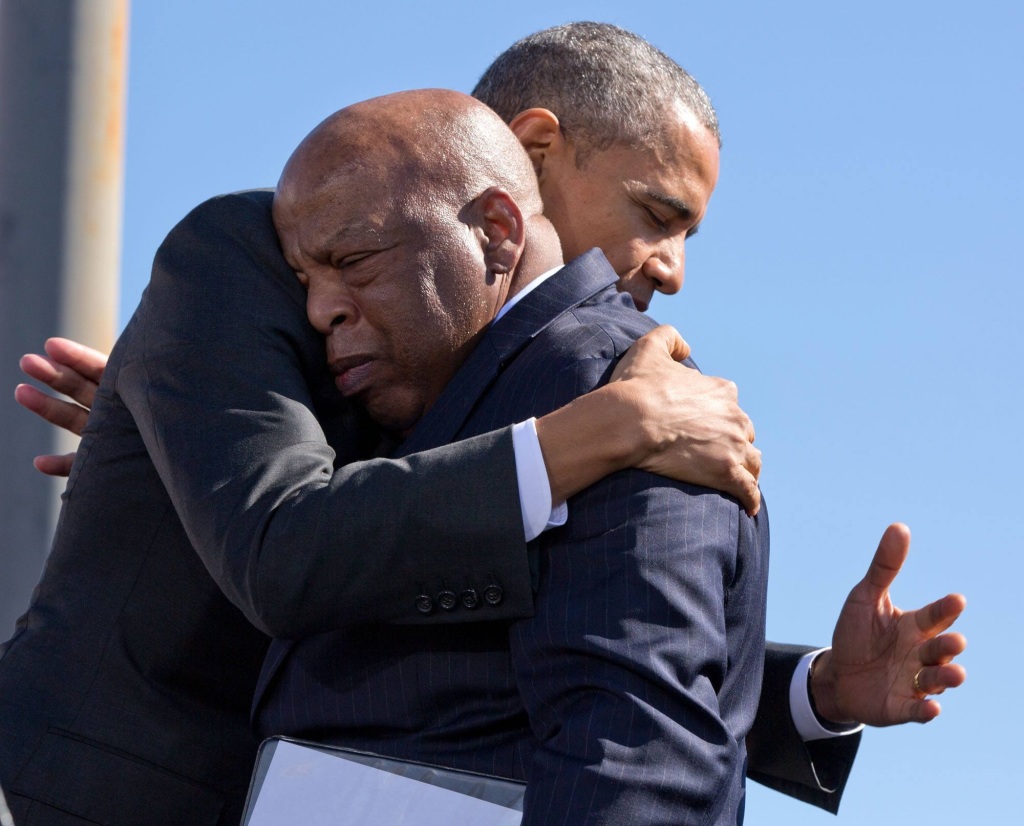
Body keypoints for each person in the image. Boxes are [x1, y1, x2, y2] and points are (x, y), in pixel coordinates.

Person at [7, 21, 966, 824]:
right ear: (532, 160)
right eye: (656, 212)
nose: (671, 268)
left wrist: (813, 693)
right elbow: (285, 540)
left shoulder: (562, 370)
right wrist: (597, 432)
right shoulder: (250, 258)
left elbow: (567, 660)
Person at [256, 86, 769, 825]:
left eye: (356, 260)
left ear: (498, 228)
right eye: (307, 279)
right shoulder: (415, 389)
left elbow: (637, 759)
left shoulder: (621, 389)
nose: (319, 309)